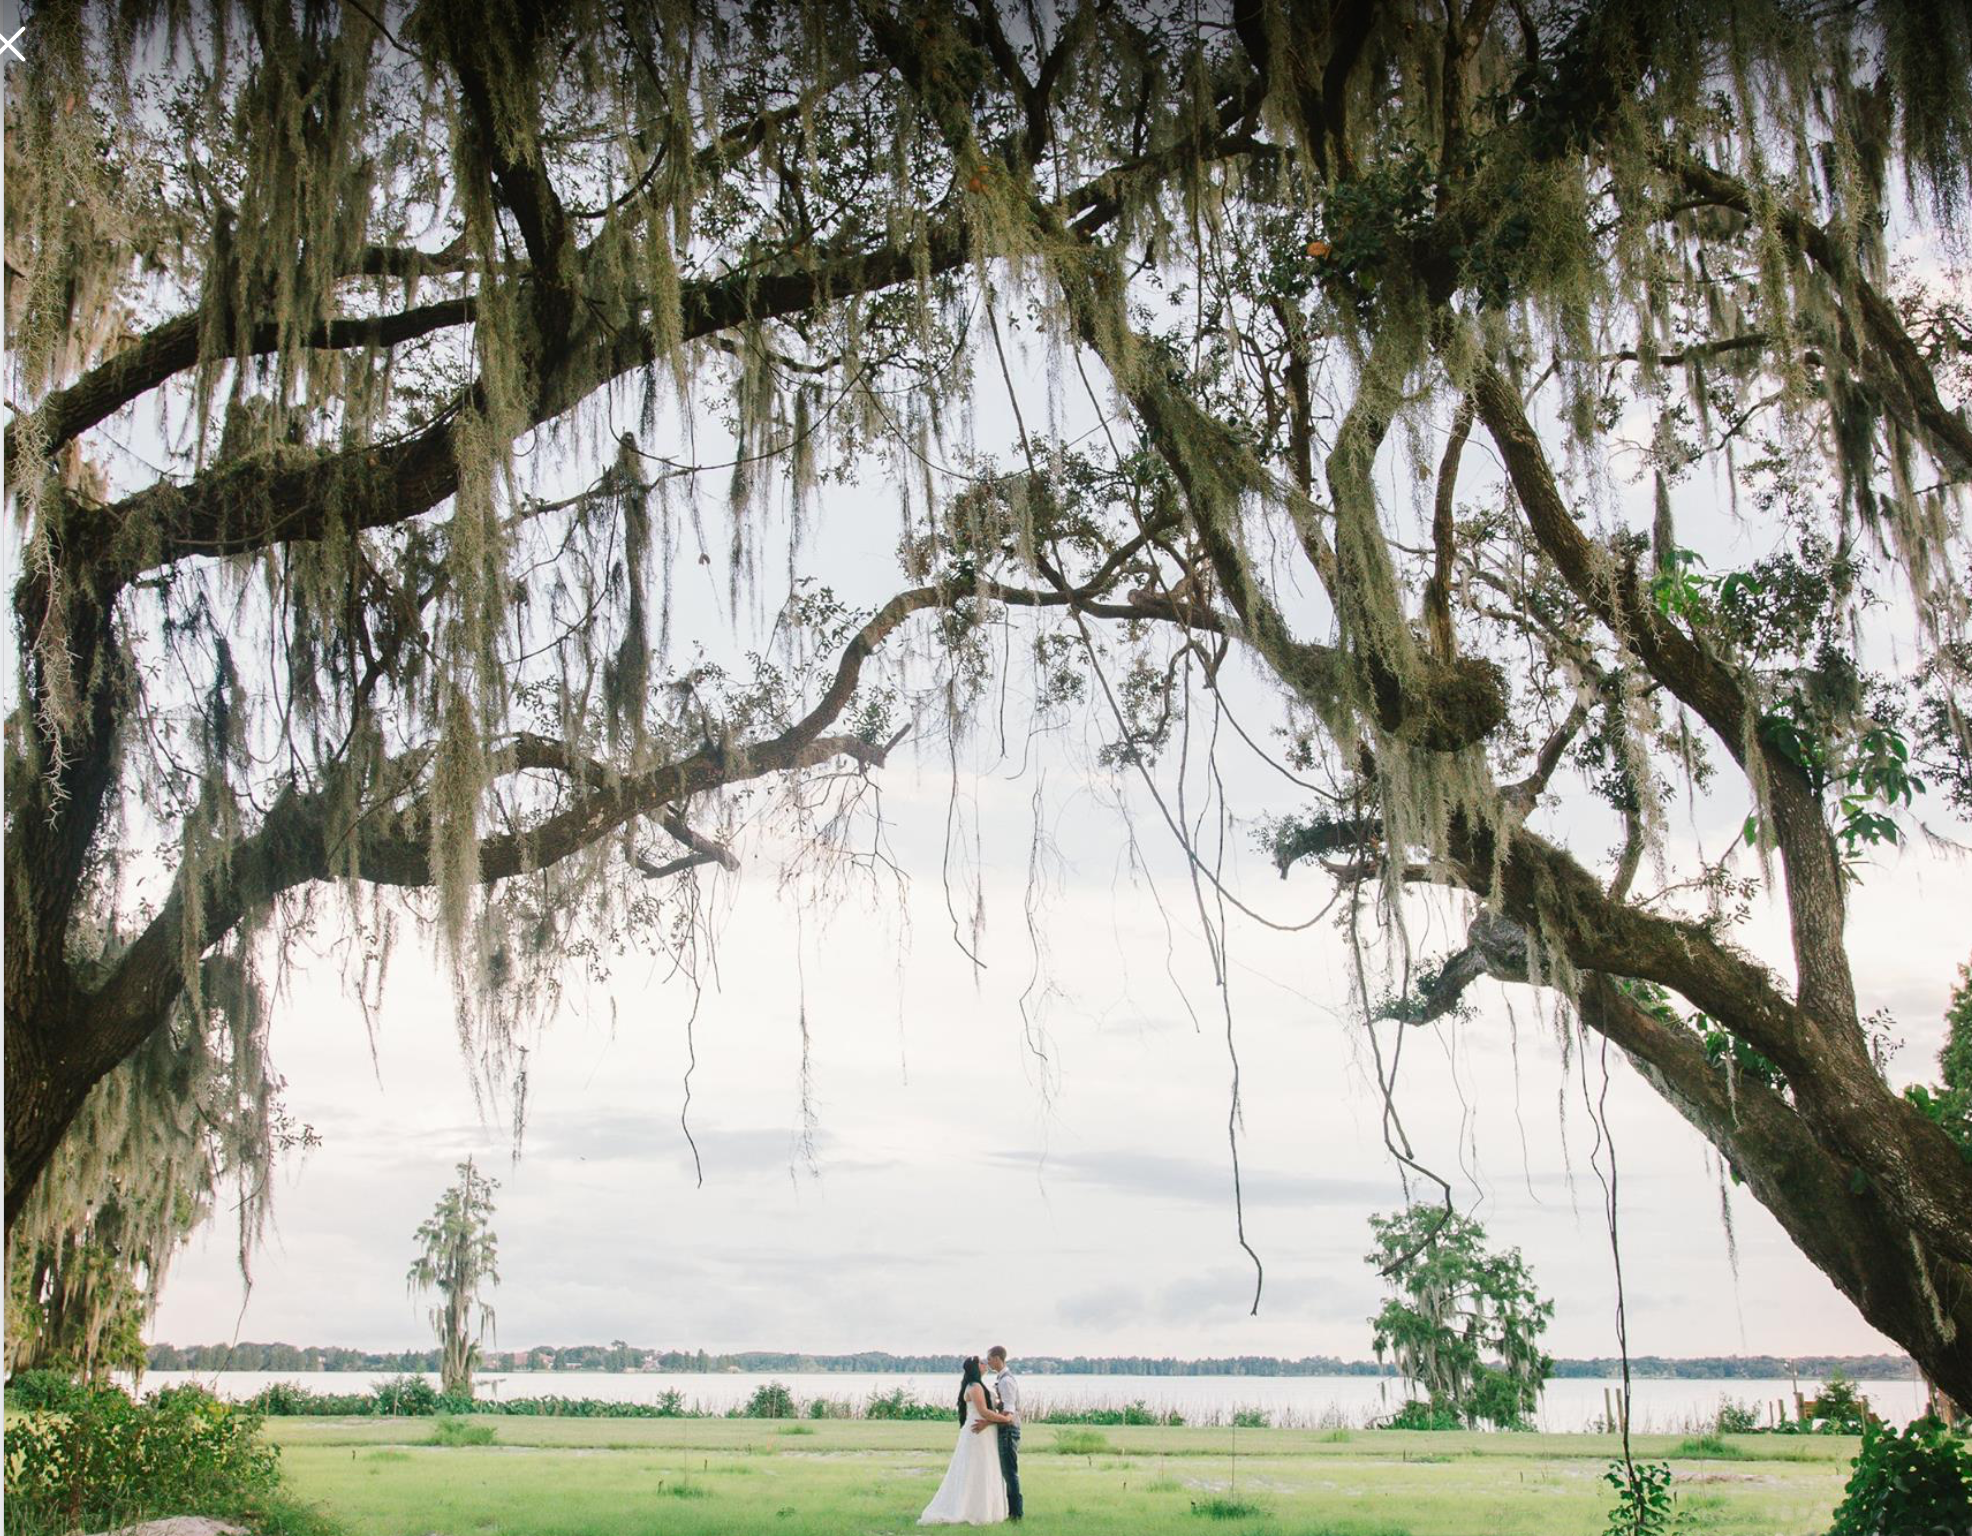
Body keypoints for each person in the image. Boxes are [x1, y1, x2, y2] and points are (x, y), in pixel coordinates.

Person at [918, 1355, 1013, 1525]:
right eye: (981, 1363)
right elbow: (983, 1412)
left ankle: (985, 1509)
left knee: (985, 1467)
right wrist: (1005, 1419)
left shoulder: (978, 1385)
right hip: (978, 1432)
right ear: (975, 1368)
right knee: (976, 1469)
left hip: (985, 1432)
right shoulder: (975, 1386)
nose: (985, 1364)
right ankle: (972, 1510)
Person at [981, 1345, 1022, 1520]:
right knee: (1007, 1471)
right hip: (1005, 1429)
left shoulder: (1006, 1381)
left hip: (1009, 1430)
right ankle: (1010, 1511)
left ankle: (1016, 1514)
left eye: (989, 1359)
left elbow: (1008, 1414)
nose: (988, 1362)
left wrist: (987, 1422)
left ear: (998, 1358)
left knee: (1010, 1472)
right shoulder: (1002, 1379)